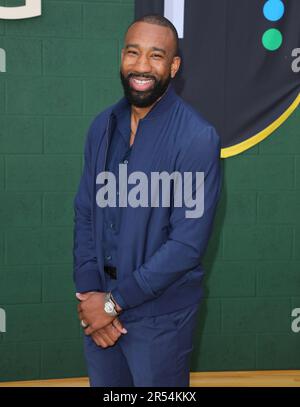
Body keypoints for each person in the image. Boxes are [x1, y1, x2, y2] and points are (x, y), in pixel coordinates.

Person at [73, 14, 222, 387]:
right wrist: (92, 293)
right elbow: (86, 211)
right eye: (133, 53)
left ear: (173, 67)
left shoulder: (197, 137)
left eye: (156, 56)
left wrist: (112, 304)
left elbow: (186, 246)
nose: (141, 66)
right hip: (101, 312)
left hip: (161, 322)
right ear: (121, 57)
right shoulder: (102, 126)